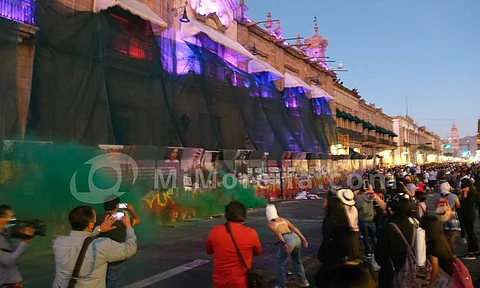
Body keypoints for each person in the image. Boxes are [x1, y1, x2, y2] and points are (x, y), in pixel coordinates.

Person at [53, 206, 138, 288]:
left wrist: (100, 229)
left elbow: (81, 240)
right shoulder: (102, 245)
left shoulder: (58, 242)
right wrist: (128, 226)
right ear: (90, 225)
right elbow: (130, 249)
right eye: (94, 221)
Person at [206, 201, 262, 288]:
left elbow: (209, 251)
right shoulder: (251, 233)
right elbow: (258, 252)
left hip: (220, 282)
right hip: (241, 283)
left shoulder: (215, 231)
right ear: (243, 215)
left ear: (226, 215)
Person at [100, 195, 141, 288]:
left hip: (100, 254)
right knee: (111, 281)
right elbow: (138, 220)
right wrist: (131, 210)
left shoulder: (98, 218)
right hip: (116, 256)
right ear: (117, 206)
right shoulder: (123, 219)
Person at [265, 204, 309, 288]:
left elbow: (278, 233)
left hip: (287, 239)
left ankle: (283, 285)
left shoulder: (270, 224)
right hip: (295, 237)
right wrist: (304, 240)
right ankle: (303, 281)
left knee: (280, 264)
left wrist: (285, 244)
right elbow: (295, 228)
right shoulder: (283, 219)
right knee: (297, 261)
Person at [375, 198, 414, 288]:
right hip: (412, 270)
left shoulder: (387, 228)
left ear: (391, 211)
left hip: (391, 272)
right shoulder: (414, 224)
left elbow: (380, 256)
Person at [0, 205, 35, 287]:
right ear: (1, 219)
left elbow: (11, 251)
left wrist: (24, 240)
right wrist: (25, 242)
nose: (14, 219)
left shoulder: (3, 235)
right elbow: (9, 261)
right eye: (11, 217)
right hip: (6, 284)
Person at [421, 215, 456, 285]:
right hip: (450, 278)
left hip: (442, 281)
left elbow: (435, 270)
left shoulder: (433, 247)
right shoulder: (443, 240)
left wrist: (428, 285)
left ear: (426, 229)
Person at [355, 183, 386, 257]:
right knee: (373, 235)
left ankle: (368, 251)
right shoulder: (370, 196)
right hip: (371, 218)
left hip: (363, 219)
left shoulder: (359, 198)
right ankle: (377, 248)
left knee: (365, 236)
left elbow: (357, 207)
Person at [318, 196, 349, 264]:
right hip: (343, 246)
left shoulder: (330, 219)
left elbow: (326, 235)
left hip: (332, 248)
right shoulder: (343, 216)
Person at [459, 178, 480, 259]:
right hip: (471, 213)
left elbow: (465, 203)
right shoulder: (475, 192)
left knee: (470, 232)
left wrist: (464, 194)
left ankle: (471, 252)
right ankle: (476, 250)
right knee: (471, 232)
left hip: (468, 214)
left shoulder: (470, 193)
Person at [436, 182, 461, 249]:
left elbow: (436, 205)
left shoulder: (438, 196)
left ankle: (445, 250)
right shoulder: (453, 196)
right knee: (452, 236)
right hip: (451, 216)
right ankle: (451, 251)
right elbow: (458, 206)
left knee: (445, 235)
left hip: (441, 216)